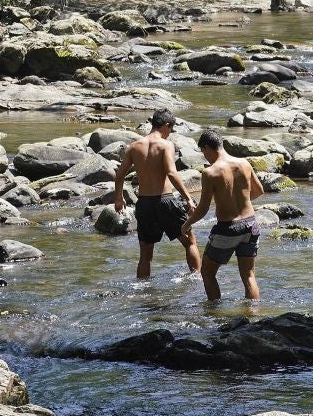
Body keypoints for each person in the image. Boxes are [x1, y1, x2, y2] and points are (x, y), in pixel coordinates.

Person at [113, 109, 200, 279]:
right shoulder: (166, 145)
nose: (170, 134)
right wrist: (188, 198)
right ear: (167, 125)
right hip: (165, 201)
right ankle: (197, 280)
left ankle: (143, 290)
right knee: (190, 242)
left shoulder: (134, 147)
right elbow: (172, 173)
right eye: (171, 130)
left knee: (145, 255)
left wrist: (118, 197)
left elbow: (119, 176)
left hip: (144, 204)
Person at [181, 131, 264, 301]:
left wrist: (186, 224)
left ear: (207, 148)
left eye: (204, 152)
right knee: (248, 275)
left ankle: (215, 315)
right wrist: (240, 201)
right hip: (251, 224)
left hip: (228, 228)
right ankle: (254, 319)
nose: (205, 157)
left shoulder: (210, 172)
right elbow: (259, 191)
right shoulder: (244, 163)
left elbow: (203, 208)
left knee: (207, 272)